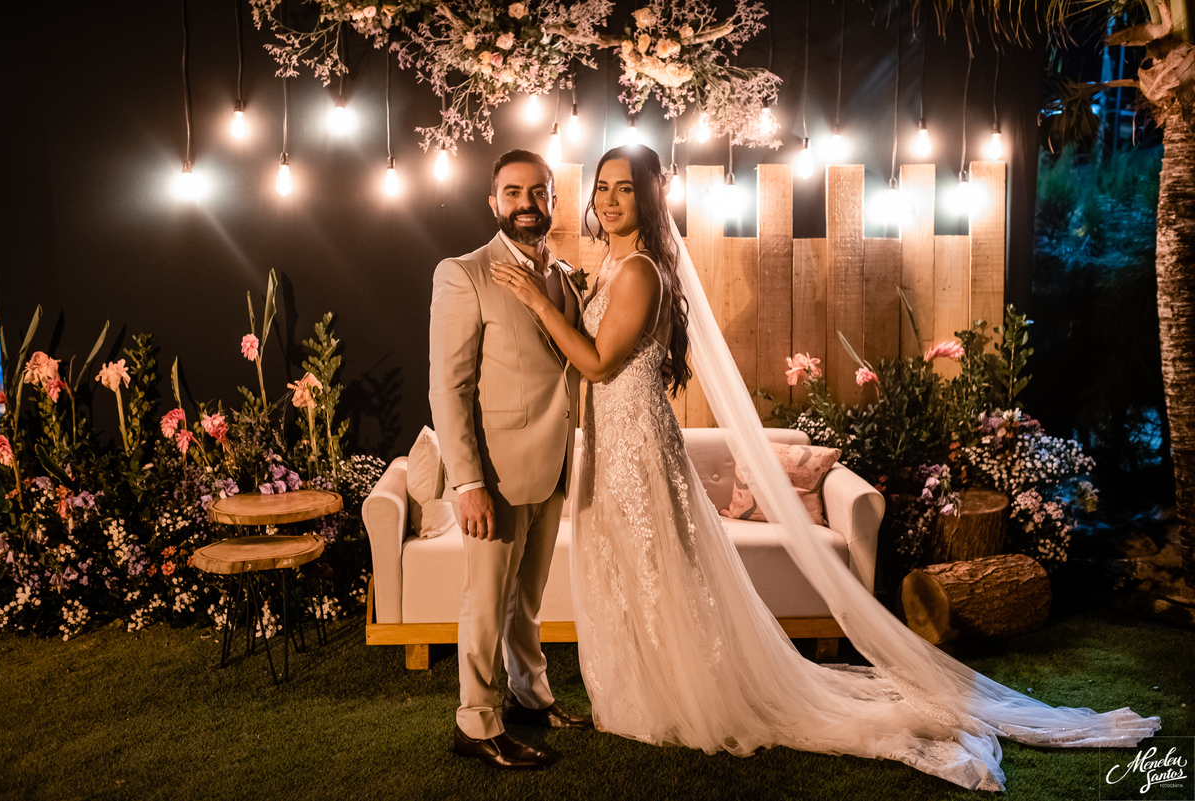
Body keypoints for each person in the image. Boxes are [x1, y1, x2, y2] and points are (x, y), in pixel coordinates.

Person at [490, 144, 1160, 791]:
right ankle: (645, 689)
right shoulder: (610, 265)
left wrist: (538, 300)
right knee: (630, 571)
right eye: (602, 187)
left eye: (624, 188)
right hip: (611, 440)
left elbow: (601, 362)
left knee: (656, 568)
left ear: (649, 197)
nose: (608, 200)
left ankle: (683, 696)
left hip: (636, 444)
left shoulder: (640, 271)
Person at [428, 148, 592, 772]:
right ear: (493, 202)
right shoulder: (462, 274)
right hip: (494, 474)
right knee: (486, 599)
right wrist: (467, 481)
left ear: (553, 200)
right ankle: (476, 722)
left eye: (539, 192)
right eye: (513, 193)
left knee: (528, 595)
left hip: (552, 466)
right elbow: (450, 388)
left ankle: (530, 697)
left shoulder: (566, 274)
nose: (527, 204)